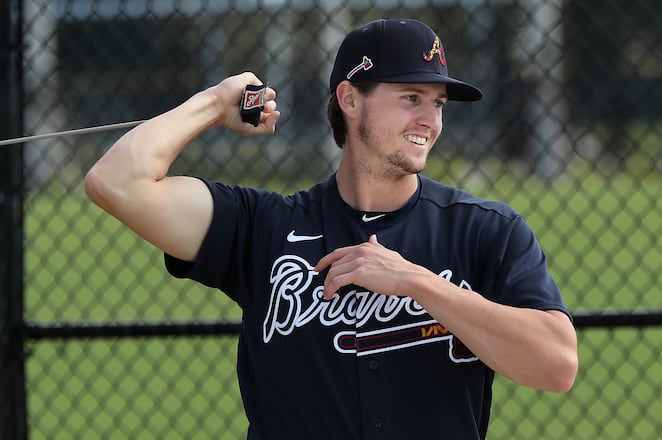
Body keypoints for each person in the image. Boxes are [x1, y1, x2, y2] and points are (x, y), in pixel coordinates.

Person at [85, 18, 578, 440]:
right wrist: (213, 104)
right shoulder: (265, 228)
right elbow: (115, 182)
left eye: (439, 103)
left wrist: (416, 282)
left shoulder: (484, 230)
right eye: (411, 97)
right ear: (349, 98)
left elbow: (556, 365)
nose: (430, 120)